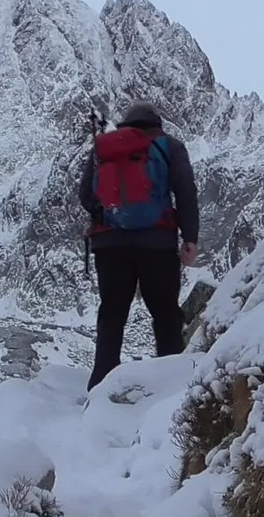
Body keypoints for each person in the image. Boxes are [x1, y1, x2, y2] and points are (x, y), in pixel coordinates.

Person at [79, 101, 200, 391]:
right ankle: (171, 385)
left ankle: (100, 385)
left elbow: (85, 194)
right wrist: (190, 238)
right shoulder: (168, 146)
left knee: (112, 313)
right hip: (156, 243)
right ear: (156, 125)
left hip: (108, 244)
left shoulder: (104, 147)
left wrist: (106, 215)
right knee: (164, 312)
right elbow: (185, 191)